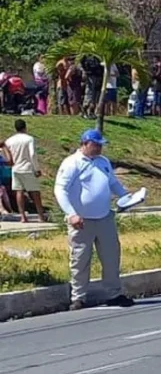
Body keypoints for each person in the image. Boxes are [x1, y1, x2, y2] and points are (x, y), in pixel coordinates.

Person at [54, 129, 134, 310]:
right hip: (82, 221)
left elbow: (113, 183)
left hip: (104, 217)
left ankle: (114, 293)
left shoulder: (103, 162)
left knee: (111, 256)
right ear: (85, 143)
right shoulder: (72, 163)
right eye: (96, 145)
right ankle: (78, 297)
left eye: (101, 145)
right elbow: (60, 190)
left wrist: (126, 196)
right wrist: (71, 214)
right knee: (80, 258)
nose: (99, 148)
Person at [5, 119, 46, 223]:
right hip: (27, 168)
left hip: (16, 169)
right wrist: (36, 169)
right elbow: (32, 154)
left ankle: (23, 217)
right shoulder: (29, 139)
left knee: (19, 192)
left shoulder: (9, 141)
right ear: (25, 127)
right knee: (35, 192)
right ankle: (41, 216)